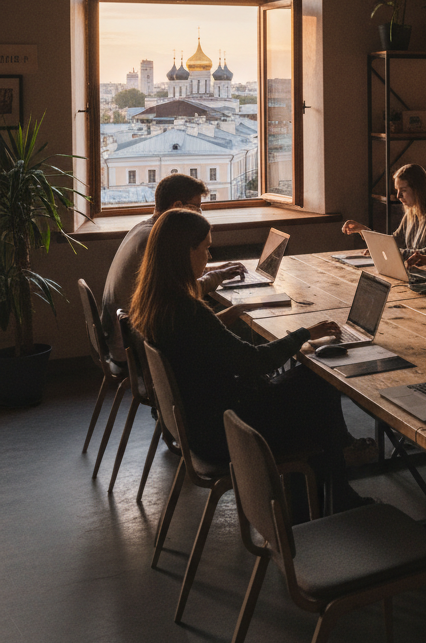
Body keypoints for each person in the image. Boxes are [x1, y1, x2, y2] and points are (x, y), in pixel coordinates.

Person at [128, 209, 369, 512]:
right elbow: (255, 362)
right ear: (185, 251)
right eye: (205, 248)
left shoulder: (155, 300)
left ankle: (316, 494)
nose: (209, 256)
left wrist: (230, 315)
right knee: (320, 383)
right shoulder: (187, 309)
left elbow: (198, 339)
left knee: (309, 388)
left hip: (199, 424)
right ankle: (332, 490)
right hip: (227, 430)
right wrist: (305, 333)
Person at [101, 174, 245, 340]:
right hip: (132, 342)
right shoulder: (156, 240)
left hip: (122, 331)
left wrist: (214, 270)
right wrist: (217, 276)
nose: (199, 215)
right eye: (197, 209)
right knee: (236, 321)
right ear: (177, 206)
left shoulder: (144, 228)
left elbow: (173, 276)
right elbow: (180, 293)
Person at [342, 163, 426, 256]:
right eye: (397, 190)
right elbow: (394, 241)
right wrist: (364, 231)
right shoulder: (411, 213)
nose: (398, 196)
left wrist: (390, 252)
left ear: (418, 190)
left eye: (403, 190)